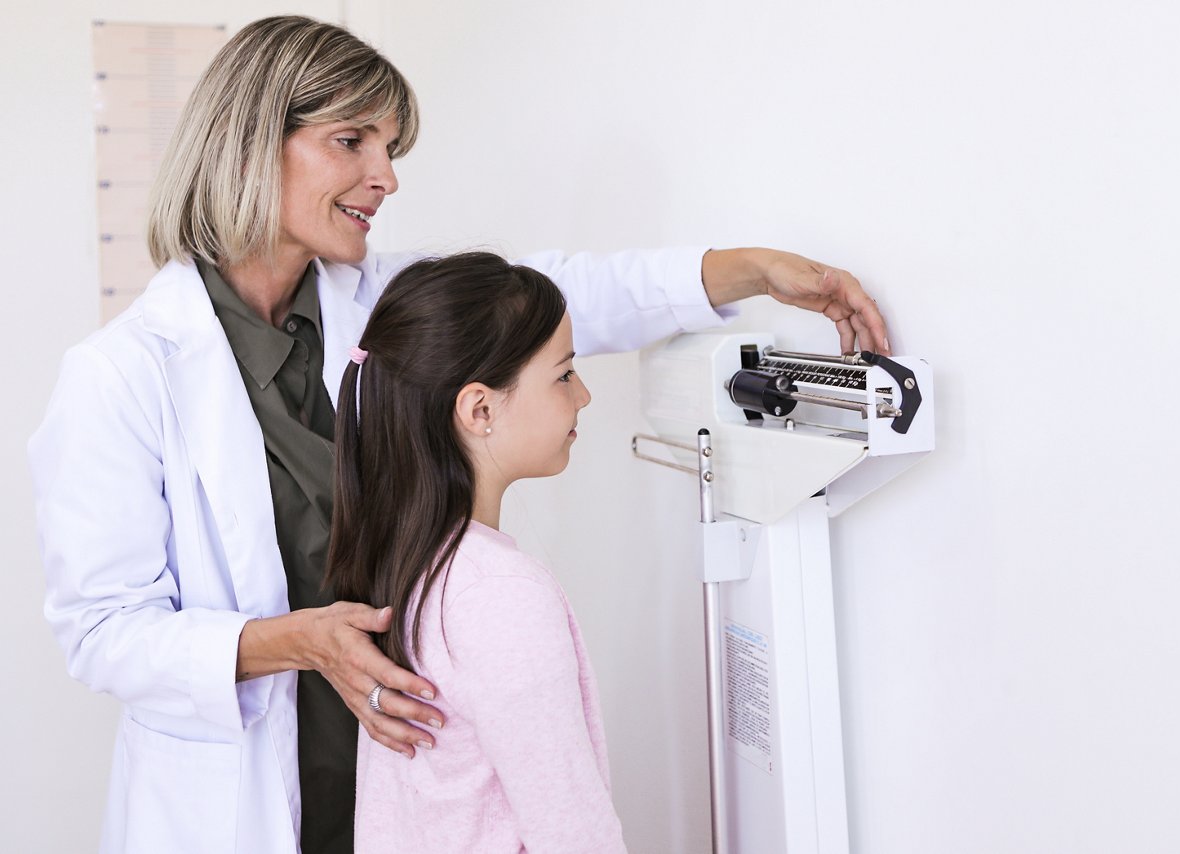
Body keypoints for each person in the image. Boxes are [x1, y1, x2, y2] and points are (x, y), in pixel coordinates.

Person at [28, 14, 892, 854]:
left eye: (390, 149)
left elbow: (548, 302)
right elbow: (102, 632)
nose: (386, 178)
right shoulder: (120, 377)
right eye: (352, 141)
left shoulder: (375, 306)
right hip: (242, 794)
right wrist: (296, 641)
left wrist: (762, 271)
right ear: (254, 142)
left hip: (399, 778)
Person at [326, 252, 623, 852]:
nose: (584, 396)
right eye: (564, 375)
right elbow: (570, 826)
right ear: (479, 409)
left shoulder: (405, 560)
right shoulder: (499, 592)